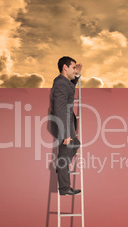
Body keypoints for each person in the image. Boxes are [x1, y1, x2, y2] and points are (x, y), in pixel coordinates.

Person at [49, 56, 82, 195]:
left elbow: (71, 87)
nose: (74, 70)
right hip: (64, 124)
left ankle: (60, 168)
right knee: (64, 155)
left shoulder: (64, 82)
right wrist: (65, 134)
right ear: (65, 67)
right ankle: (64, 188)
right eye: (73, 67)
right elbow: (59, 109)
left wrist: (77, 75)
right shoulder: (61, 84)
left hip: (68, 122)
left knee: (75, 144)